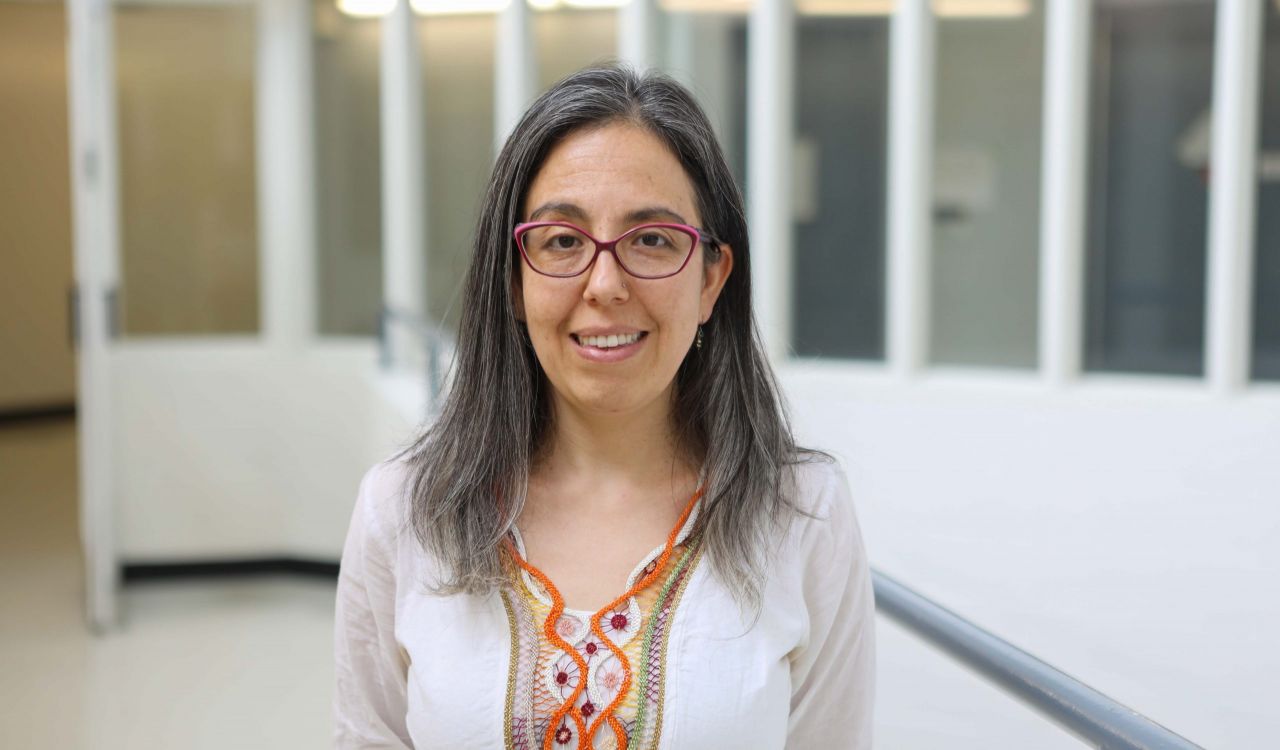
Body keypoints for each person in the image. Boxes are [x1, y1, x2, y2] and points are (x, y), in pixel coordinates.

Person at [334, 64, 875, 750]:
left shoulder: (804, 513)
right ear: (512, 280)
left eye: (651, 240)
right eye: (562, 242)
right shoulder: (402, 510)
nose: (606, 284)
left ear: (711, 280)